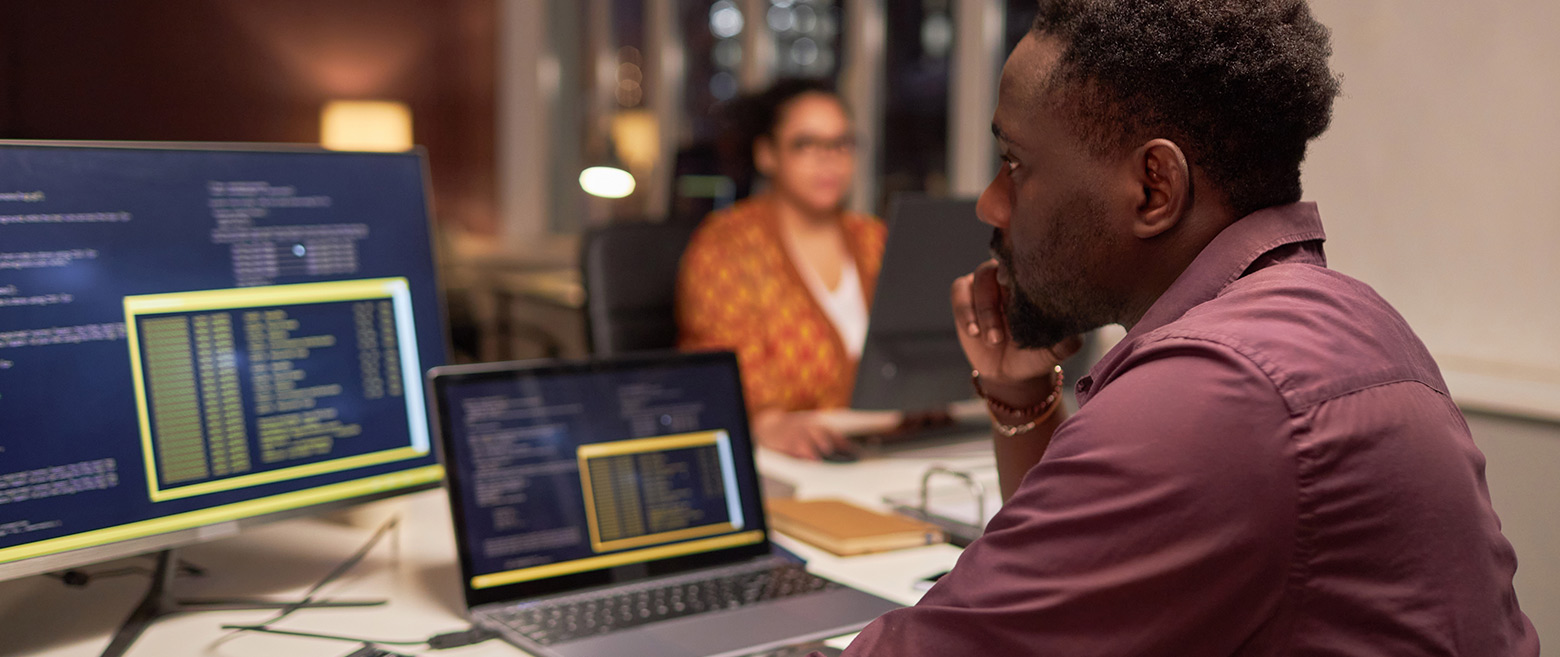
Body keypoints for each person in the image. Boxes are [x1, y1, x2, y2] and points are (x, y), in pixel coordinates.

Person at [833, 1, 1540, 655]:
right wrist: (1020, 394)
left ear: (1153, 188)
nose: (990, 204)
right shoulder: (1346, 317)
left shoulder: (1216, 392)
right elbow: (1077, 592)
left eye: (1016, 164)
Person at [677, 79, 885, 460]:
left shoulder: (876, 239)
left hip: (894, 448)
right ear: (766, 154)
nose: (829, 159)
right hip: (785, 459)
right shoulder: (725, 247)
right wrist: (769, 422)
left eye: (841, 143)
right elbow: (735, 388)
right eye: (805, 144)